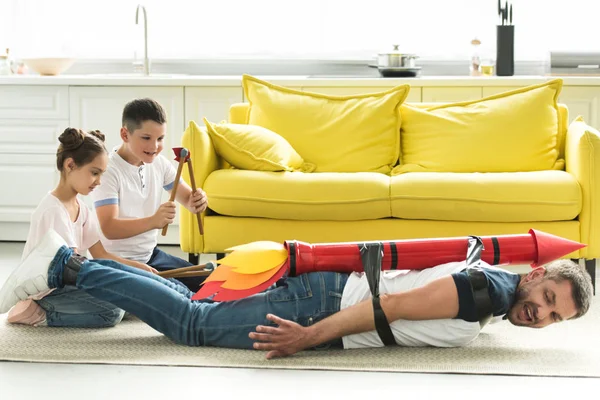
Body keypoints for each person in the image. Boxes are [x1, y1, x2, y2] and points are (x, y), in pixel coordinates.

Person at [0, 229, 593, 359]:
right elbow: (392, 308)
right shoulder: (485, 295)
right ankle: (66, 264)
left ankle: (66, 282)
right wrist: (310, 337)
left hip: (324, 292)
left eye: (552, 320)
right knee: (191, 324)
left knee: (197, 309)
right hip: (321, 308)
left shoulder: (492, 284)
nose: (539, 316)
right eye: (547, 301)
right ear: (538, 274)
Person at [7, 128, 158, 328]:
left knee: (133, 295)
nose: (99, 181)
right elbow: (70, 270)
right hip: (48, 291)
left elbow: (101, 255)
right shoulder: (53, 211)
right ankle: (38, 314)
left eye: (101, 174)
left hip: (73, 280)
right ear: (70, 165)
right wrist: (114, 284)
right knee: (113, 311)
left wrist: (140, 270)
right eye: (94, 173)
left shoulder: (82, 209)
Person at [90, 98, 208, 292]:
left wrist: (198, 200)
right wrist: (153, 221)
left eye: (160, 138)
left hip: (150, 255)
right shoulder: (108, 170)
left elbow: (188, 199)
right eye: (146, 138)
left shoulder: (159, 164)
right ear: (124, 134)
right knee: (182, 293)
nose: (154, 146)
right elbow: (109, 228)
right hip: (118, 262)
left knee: (210, 282)